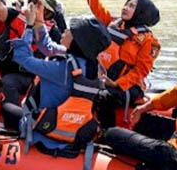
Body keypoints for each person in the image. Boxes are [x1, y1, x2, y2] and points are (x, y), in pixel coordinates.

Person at [11, 9, 110, 156]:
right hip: (74, 133)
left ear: (77, 41)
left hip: (45, 134)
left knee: (8, 109)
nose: (65, 30)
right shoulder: (93, 66)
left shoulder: (61, 68)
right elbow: (48, 47)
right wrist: (40, 21)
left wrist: (29, 27)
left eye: (70, 30)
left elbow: (22, 57)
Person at [0, 0, 63, 128]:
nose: (33, 7)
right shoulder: (15, 16)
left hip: (28, 76)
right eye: (35, 4)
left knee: (9, 82)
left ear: (47, 13)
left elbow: (55, 55)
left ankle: (16, 123)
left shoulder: (52, 32)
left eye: (39, 6)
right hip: (4, 66)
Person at [83, 0, 161, 128]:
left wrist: (116, 84)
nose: (125, 7)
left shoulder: (148, 40)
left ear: (141, 12)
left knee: (103, 97)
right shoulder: (113, 23)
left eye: (132, 6)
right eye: (126, 4)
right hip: (105, 78)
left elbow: (140, 71)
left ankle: (107, 131)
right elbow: (95, 6)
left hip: (129, 86)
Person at [101, 86, 177, 168]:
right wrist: (142, 108)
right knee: (143, 122)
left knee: (112, 133)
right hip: (174, 139)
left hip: (172, 156)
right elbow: (174, 94)